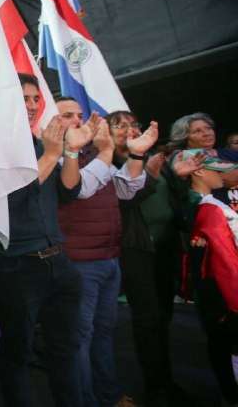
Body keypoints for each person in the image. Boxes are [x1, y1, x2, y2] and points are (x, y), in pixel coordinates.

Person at [0, 73, 87, 407]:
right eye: (22, 98)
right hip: (17, 267)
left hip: (58, 262)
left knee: (65, 350)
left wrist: (69, 152)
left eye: (34, 99)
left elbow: (70, 192)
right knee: (18, 354)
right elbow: (8, 203)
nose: (30, 105)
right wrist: (52, 155)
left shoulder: (45, 145)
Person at [54, 98, 156, 407]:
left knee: (103, 332)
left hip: (108, 258)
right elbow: (79, 187)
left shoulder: (94, 153)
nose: (77, 120)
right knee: (80, 338)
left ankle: (108, 395)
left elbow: (126, 189)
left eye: (79, 114)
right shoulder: (56, 154)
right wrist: (108, 152)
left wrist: (137, 152)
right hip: (79, 262)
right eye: (67, 115)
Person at [107, 111, 191, 407]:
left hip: (166, 247)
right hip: (135, 250)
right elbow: (126, 201)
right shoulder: (109, 163)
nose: (129, 130)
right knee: (148, 319)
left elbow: (175, 198)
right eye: (120, 125)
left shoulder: (156, 157)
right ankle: (155, 387)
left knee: (164, 319)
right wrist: (150, 174)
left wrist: (178, 176)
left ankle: (166, 381)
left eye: (133, 124)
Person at [167, 114, 238, 404]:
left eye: (209, 127)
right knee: (225, 340)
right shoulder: (206, 209)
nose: (224, 174)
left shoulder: (213, 201)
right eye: (198, 130)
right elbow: (224, 266)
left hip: (224, 283)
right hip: (221, 288)